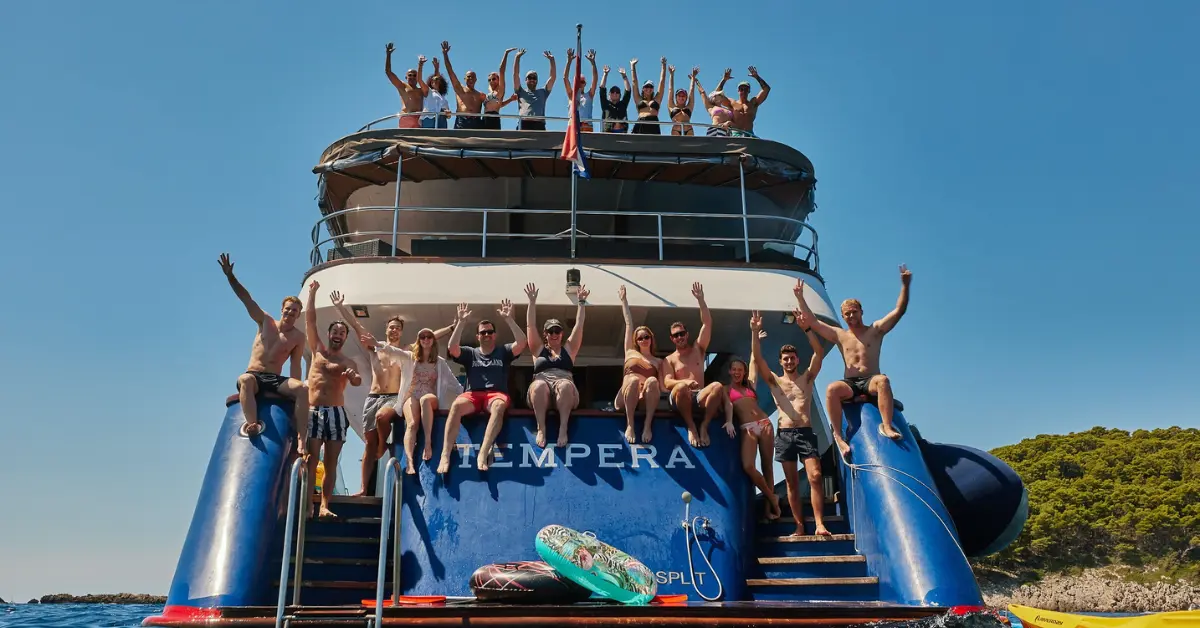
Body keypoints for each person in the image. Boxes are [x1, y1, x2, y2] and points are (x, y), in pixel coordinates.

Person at [330, 293, 455, 484]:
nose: (394, 330)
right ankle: (364, 487)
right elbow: (356, 326)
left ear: (401, 332)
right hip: (373, 397)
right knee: (369, 445)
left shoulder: (406, 350)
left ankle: (383, 447)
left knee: (382, 418)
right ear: (386, 329)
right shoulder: (375, 347)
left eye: (398, 328)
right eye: (392, 327)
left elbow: (429, 337)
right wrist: (341, 307)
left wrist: (452, 327)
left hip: (394, 398)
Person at [794, 269, 911, 459]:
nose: (850, 316)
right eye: (846, 314)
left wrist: (905, 285)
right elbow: (813, 323)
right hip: (850, 383)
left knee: (883, 381)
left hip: (871, 380)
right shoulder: (840, 335)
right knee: (831, 388)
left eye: (853, 312)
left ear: (861, 311)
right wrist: (800, 297)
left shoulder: (876, 330)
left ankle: (887, 425)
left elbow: (899, 311)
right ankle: (839, 437)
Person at [749, 309, 830, 536]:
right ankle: (800, 526)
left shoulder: (807, 378)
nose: (789, 361)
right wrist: (755, 332)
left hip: (805, 432)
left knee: (815, 476)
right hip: (784, 435)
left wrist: (806, 329)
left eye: (792, 358)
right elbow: (758, 357)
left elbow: (819, 352)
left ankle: (820, 523)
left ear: (797, 360)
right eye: (785, 358)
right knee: (792, 484)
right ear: (781, 362)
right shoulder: (775, 382)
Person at [219, 253, 309, 441]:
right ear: (281, 310)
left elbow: (295, 366)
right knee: (244, 380)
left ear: (298, 315)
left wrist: (293, 393)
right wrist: (230, 277)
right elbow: (247, 299)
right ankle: (253, 423)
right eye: (288, 309)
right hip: (254, 374)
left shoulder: (298, 337)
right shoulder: (265, 321)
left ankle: (301, 436)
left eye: (295, 311)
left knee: (302, 388)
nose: (290, 312)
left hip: (274, 379)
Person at [358, 324, 463, 475]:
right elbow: (393, 350)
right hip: (411, 395)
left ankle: (427, 443)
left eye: (429, 337)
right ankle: (409, 461)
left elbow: (455, 384)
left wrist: (466, 396)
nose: (426, 339)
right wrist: (376, 344)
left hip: (429, 397)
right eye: (422, 337)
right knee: (412, 423)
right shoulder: (410, 357)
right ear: (418, 341)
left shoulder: (440, 363)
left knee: (425, 400)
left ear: (433, 340)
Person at [439, 301, 528, 473]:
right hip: (473, 394)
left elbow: (522, 342)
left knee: (499, 405)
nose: (486, 334)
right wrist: (461, 323)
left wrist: (509, 319)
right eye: (483, 332)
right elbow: (452, 348)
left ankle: (483, 452)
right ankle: (445, 454)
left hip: (495, 395)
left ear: (495, 335)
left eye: (490, 332)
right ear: (477, 336)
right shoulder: (471, 353)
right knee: (456, 405)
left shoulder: (503, 351)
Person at [303, 281, 363, 519]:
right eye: (335, 332)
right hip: (315, 410)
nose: (337, 335)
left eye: (342, 332)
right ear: (329, 334)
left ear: (345, 337)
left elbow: (357, 380)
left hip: (337, 413)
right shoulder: (317, 350)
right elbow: (310, 321)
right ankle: (308, 505)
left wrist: (353, 376)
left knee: (331, 462)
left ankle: (324, 505)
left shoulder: (349, 362)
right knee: (310, 460)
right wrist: (312, 293)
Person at [523, 282, 589, 448]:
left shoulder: (568, 349)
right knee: (538, 385)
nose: (554, 334)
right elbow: (530, 326)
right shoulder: (538, 349)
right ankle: (541, 428)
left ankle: (563, 428)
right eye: (550, 331)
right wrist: (531, 302)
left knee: (566, 384)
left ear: (561, 334)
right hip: (541, 389)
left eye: (557, 331)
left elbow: (579, 325)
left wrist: (581, 303)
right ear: (545, 334)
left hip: (564, 388)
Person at [726, 332, 781, 521]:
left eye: (740, 369)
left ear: (743, 371)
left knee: (768, 468)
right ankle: (772, 497)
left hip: (764, 424)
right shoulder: (726, 390)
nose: (736, 372)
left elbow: (754, 360)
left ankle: (769, 510)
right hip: (747, 428)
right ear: (729, 371)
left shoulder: (750, 385)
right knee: (748, 465)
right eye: (734, 369)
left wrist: (754, 336)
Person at [663, 282, 725, 447]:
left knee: (718, 386)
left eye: (682, 334)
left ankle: (704, 425)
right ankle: (691, 427)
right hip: (679, 397)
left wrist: (701, 300)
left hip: (699, 396)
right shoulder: (669, 359)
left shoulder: (698, 349)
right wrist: (685, 382)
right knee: (682, 388)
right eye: (676, 335)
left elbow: (707, 324)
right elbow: (667, 382)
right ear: (672, 339)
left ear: (687, 334)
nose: (680, 337)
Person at [615, 285, 664, 443]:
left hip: (645, 399)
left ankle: (647, 425)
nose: (643, 340)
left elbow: (662, 386)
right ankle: (630, 424)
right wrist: (624, 301)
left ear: (651, 339)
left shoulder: (658, 361)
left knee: (652, 381)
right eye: (640, 338)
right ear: (636, 341)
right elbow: (629, 324)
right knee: (634, 380)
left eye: (646, 337)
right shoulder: (630, 351)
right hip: (626, 395)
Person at [441, 41, 487, 130]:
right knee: (459, 143)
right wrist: (445, 54)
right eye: (468, 77)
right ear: (465, 79)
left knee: (477, 143)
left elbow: (494, 104)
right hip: (462, 120)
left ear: (476, 80)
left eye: (473, 77)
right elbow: (450, 72)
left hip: (476, 122)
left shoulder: (480, 95)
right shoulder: (460, 89)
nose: (470, 79)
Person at [716, 66, 770, 137]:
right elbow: (717, 94)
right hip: (736, 134)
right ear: (738, 91)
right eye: (741, 89)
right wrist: (724, 79)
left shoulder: (753, 103)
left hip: (749, 134)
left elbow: (766, 89)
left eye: (746, 89)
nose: (743, 91)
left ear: (749, 91)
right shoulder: (732, 103)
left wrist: (757, 77)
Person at [385, 45, 428, 129]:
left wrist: (421, 65)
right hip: (407, 116)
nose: (412, 77)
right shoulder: (402, 86)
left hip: (419, 118)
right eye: (410, 75)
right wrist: (388, 55)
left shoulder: (421, 90)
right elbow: (388, 72)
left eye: (414, 75)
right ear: (406, 77)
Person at [513, 48, 556, 131]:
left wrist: (552, 60)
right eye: (530, 77)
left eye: (534, 78)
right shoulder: (520, 91)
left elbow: (553, 78)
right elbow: (515, 75)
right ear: (526, 80)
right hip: (524, 123)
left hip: (539, 124)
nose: (532, 79)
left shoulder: (543, 92)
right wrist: (517, 58)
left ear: (537, 80)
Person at [482, 48, 519, 130]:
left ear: (498, 80)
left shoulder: (500, 90)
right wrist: (510, 99)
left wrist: (506, 53)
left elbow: (501, 70)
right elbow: (499, 104)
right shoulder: (489, 93)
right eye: (489, 80)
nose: (491, 81)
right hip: (484, 118)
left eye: (494, 79)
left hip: (494, 118)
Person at [562, 49, 598, 131]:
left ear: (585, 84)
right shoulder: (571, 95)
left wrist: (593, 63)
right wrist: (569, 61)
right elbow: (565, 78)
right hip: (573, 126)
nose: (579, 84)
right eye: (577, 82)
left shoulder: (589, 95)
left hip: (586, 127)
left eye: (582, 82)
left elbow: (595, 78)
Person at [630, 57, 667, 135]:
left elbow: (662, 82)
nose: (648, 89)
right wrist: (632, 66)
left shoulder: (657, 99)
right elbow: (634, 82)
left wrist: (663, 66)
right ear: (643, 89)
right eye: (646, 87)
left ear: (653, 89)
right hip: (640, 123)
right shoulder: (638, 99)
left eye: (651, 87)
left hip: (653, 124)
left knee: (654, 145)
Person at [420, 58, 453, 129]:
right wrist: (420, 65)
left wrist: (448, 113)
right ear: (431, 83)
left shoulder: (443, 98)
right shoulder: (428, 91)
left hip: (442, 120)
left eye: (439, 80)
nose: (436, 81)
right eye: (433, 80)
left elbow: (448, 116)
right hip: (429, 118)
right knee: (428, 138)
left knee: (441, 138)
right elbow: (419, 80)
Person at [599, 64, 631, 133]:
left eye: (617, 92)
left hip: (622, 134)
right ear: (609, 94)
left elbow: (628, 90)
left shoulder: (623, 104)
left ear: (620, 95)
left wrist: (624, 76)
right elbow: (602, 88)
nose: (615, 93)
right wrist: (605, 74)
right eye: (613, 92)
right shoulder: (605, 104)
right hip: (608, 134)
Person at [667, 66, 698, 136]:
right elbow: (670, 90)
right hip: (676, 131)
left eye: (683, 96)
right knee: (676, 146)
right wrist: (671, 74)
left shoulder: (689, 106)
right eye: (679, 96)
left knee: (690, 146)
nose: (681, 97)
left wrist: (693, 77)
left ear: (686, 98)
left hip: (689, 130)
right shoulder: (671, 106)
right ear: (676, 97)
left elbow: (692, 91)